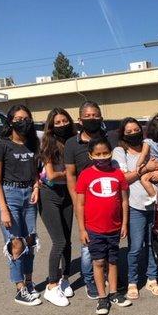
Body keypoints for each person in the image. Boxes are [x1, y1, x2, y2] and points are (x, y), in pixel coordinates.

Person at [113, 117, 158, 300]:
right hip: (135, 206)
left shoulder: (151, 146)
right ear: (122, 134)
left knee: (153, 244)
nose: (133, 134)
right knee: (135, 247)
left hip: (155, 206)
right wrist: (146, 169)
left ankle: (152, 278)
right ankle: (133, 281)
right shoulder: (120, 152)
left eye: (136, 129)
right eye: (128, 132)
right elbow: (123, 179)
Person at [0, 104, 41, 306]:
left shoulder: (32, 143)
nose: (23, 122)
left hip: (29, 194)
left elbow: (36, 170)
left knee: (29, 240)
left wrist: (36, 186)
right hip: (9, 194)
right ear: (10, 121)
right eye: (18, 118)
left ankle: (29, 282)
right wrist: (3, 209)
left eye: (26, 118)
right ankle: (19, 288)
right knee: (16, 242)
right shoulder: (2, 144)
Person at [75, 137, 132, 315]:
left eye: (105, 153)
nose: (102, 157)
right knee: (98, 262)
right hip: (94, 229)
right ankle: (102, 297)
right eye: (97, 154)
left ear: (111, 153)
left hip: (114, 228)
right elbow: (80, 204)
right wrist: (82, 229)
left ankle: (114, 293)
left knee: (113, 261)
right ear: (91, 155)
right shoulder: (85, 175)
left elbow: (124, 200)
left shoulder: (118, 174)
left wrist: (124, 223)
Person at [64, 100, 108, 299]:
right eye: (88, 116)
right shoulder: (72, 144)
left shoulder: (107, 140)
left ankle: (104, 275)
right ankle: (90, 280)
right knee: (88, 245)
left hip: (106, 201)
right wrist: (75, 201)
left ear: (101, 117)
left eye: (95, 115)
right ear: (80, 119)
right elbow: (70, 175)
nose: (92, 119)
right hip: (85, 202)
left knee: (106, 242)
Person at [39, 108, 75, 307]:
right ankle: (51, 286)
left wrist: (70, 175)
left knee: (68, 240)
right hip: (49, 195)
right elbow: (51, 175)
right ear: (51, 126)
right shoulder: (47, 144)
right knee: (59, 241)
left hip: (68, 195)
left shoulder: (72, 142)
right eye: (57, 122)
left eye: (64, 121)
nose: (62, 125)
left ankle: (65, 277)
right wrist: (70, 174)